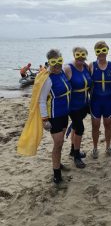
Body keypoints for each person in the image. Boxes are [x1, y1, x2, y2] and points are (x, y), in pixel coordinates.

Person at [39, 49, 71, 184]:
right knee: (57, 144)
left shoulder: (62, 72)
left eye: (59, 61)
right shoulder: (47, 78)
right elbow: (41, 100)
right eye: (54, 62)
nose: (57, 65)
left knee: (61, 142)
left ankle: (58, 163)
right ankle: (56, 173)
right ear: (49, 62)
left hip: (64, 114)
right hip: (54, 116)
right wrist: (45, 120)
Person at [89, 41, 111, 158]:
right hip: (95, 101)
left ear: (107, 51)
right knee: (95, 125)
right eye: (99, 51)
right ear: (95, 52)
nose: (101, 53)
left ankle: (107, 147)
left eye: (104, 50)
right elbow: (87, 83)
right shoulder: (91, 66)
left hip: (108, 100)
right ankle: (95, 148)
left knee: (108, 124)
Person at [64, 47, 92, 168]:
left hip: (85, 103)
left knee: (75, 126)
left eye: (83, 57)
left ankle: (72, 150)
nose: (80, 59)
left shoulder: (86, 67)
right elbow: (57, 82)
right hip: (73, 105)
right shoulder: (68, 68)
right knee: (80, 128)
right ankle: (76, 156)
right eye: (78, 57)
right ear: (74, 55)